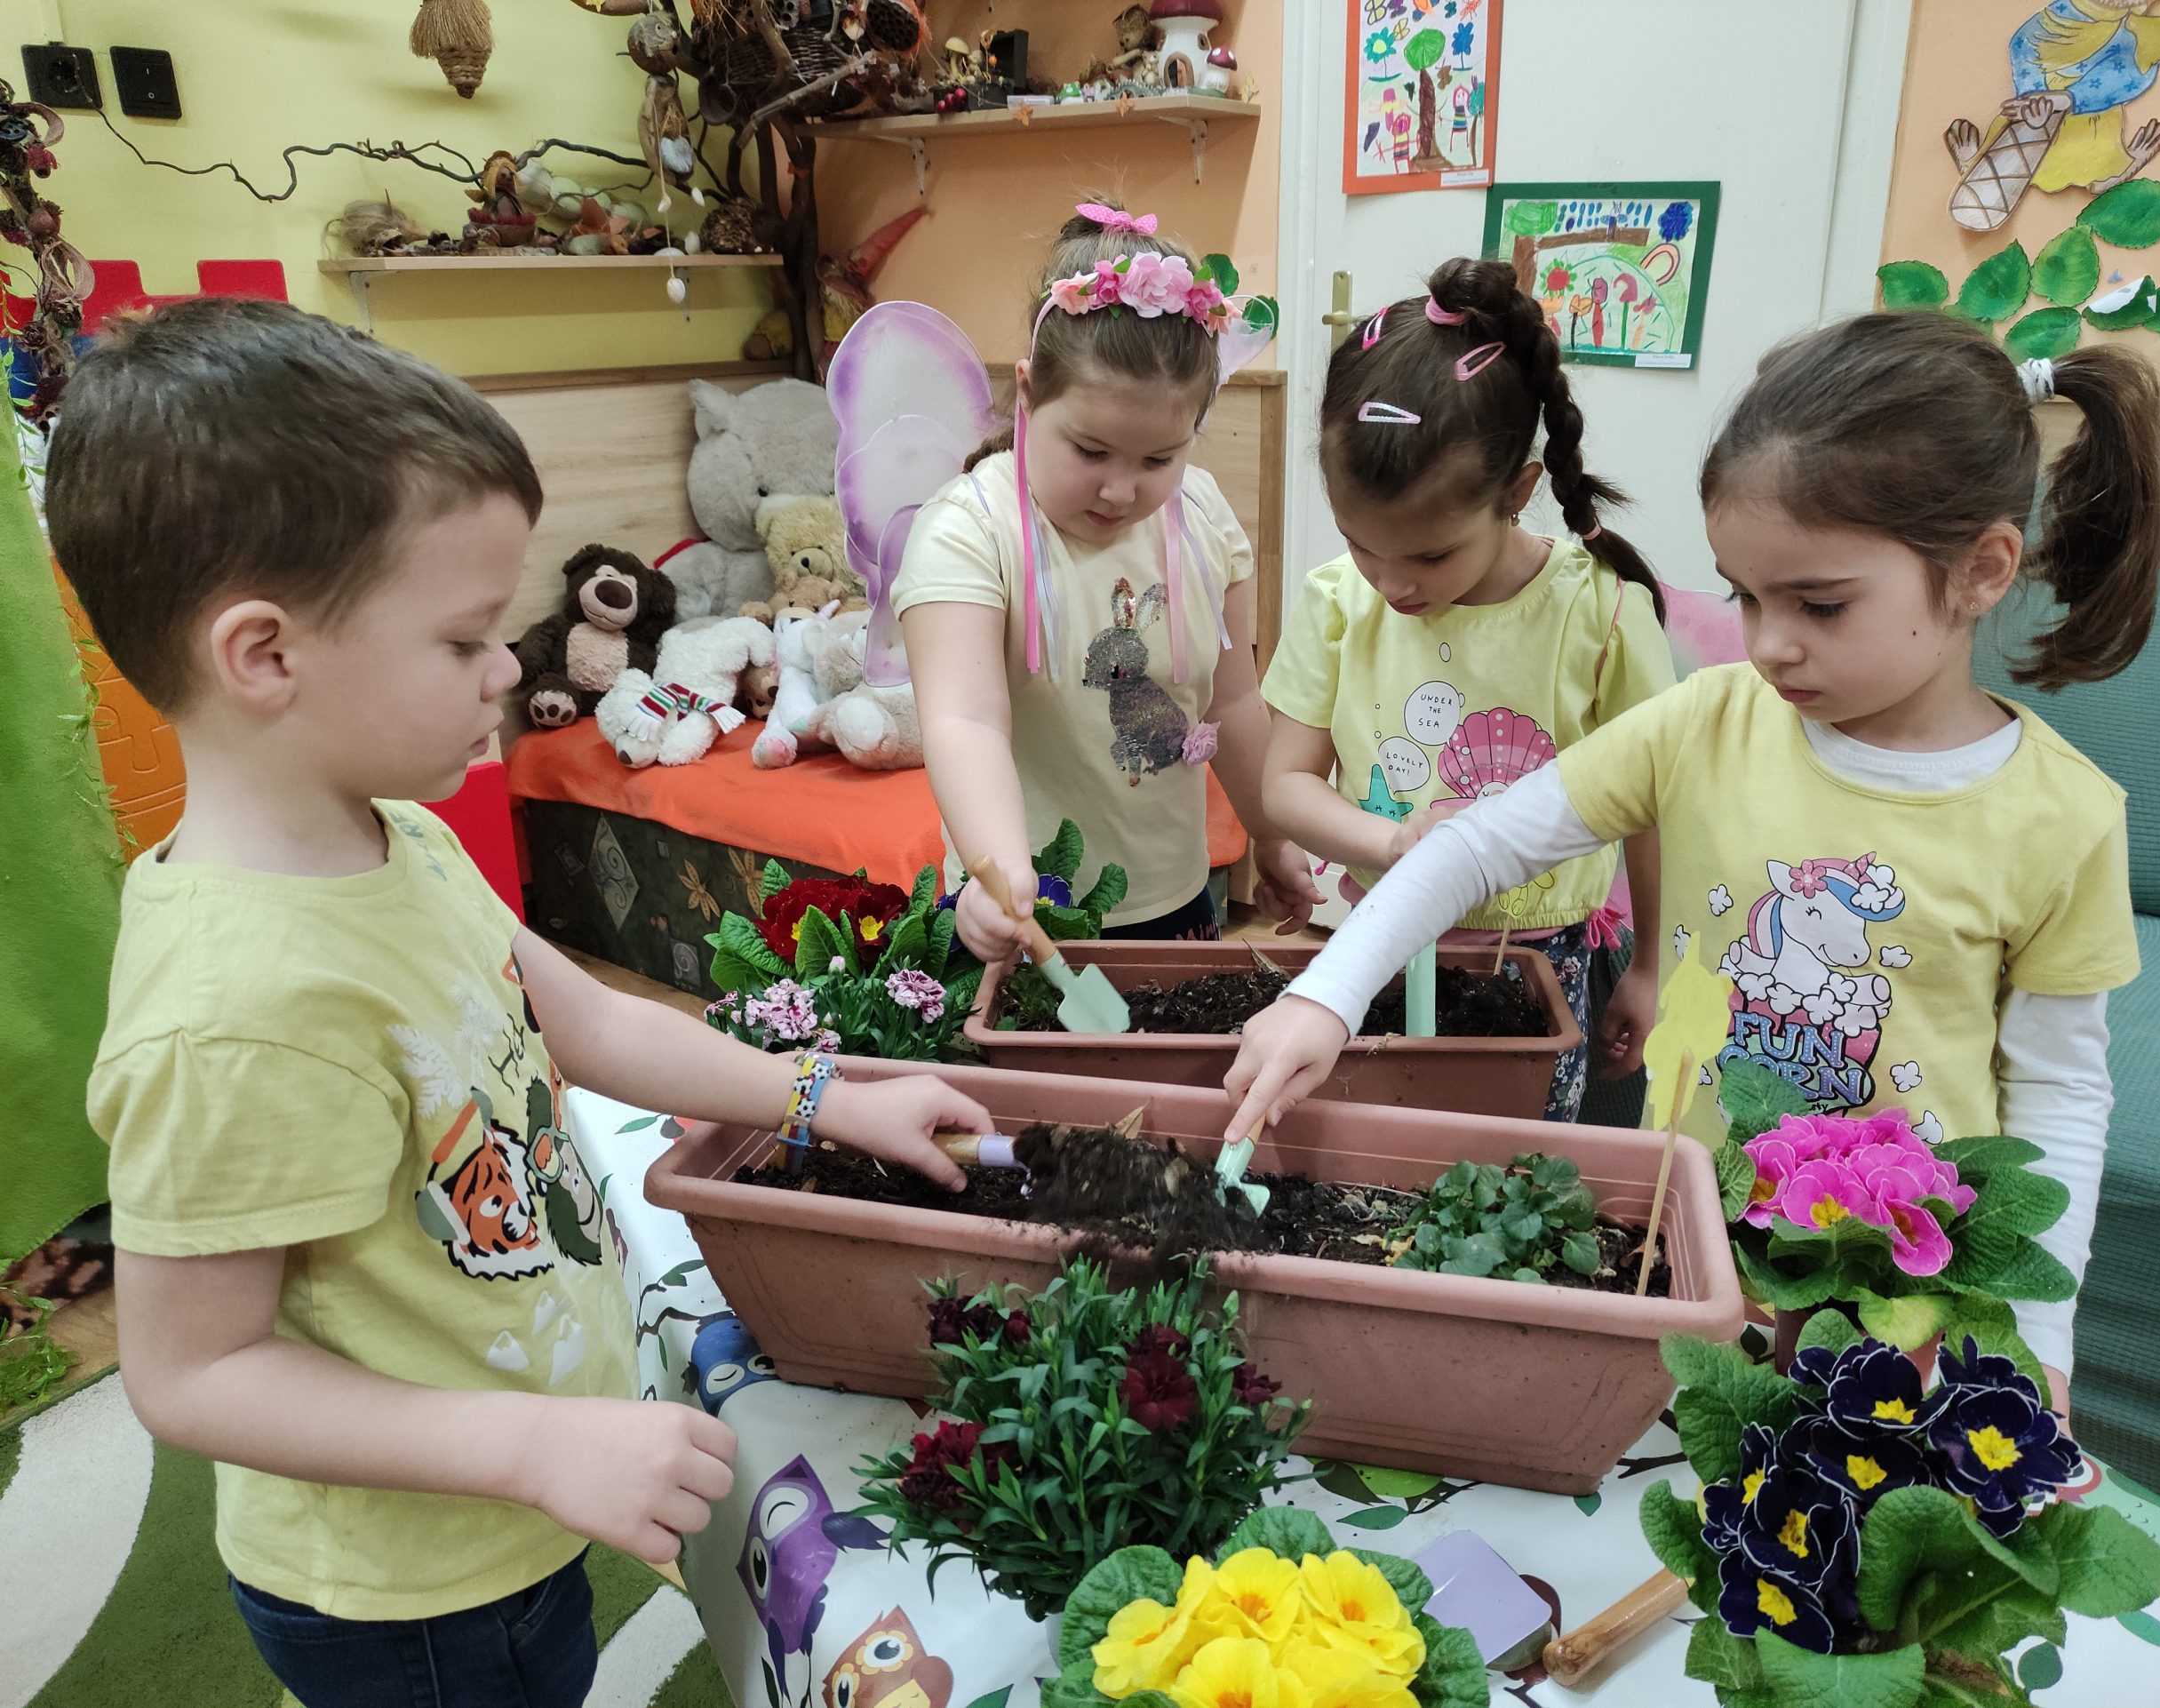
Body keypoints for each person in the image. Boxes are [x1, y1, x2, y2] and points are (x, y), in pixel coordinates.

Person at [52, 297, 991, 1708]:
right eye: (462, 639)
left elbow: (588, 1024)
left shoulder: (400, 839)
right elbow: (194, 1373)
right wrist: (534, 1446)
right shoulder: (230, 1015)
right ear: (264, 655)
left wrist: (829, 1095)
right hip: (408, 1594)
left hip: (510, 1506)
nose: (507, 670)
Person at [1227, 311, 2160, 1412]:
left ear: (1980, 570)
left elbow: (2060, 1090)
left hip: (1907, 1291)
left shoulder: (2063, 817)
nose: (1767, 642)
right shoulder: (1703, 721)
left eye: (1819, 603)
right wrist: (1324, 996)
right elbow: (1474, 844)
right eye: (1743, 594)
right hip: (1682, 1242)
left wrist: (2039, 1336)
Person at [1260, 259, 1674, 1120]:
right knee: (1384, 1144)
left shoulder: (1597, 614)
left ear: (1518, 491)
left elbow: (1654, 807)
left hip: (1541, 956)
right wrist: (1395, 842)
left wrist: (1647, 965)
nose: (1391, 584)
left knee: (1515, 1159)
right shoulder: (1336, 601)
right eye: (1360, 544)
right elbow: (1286, 784)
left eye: (1430, 554)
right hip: (1375, 942)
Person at [896, 204, 1319, 957]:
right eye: (1090, 451)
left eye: (1159, 459)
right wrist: (1001, 874)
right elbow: (966, 721)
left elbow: (1232, 700)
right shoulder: (968, 530)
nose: (1121, 491)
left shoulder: (1204, 517)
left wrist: (1272, 833)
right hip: (1022, 912)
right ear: (1029, 394)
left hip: (1177, 899)